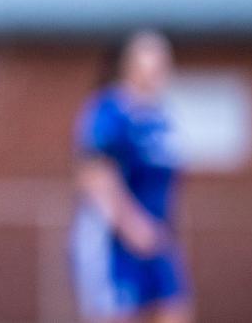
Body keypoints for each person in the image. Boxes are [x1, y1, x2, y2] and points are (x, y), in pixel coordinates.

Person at [70, 30, 193, 323]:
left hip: (159, 238)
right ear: (130, 63)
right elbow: (93, 175)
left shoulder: (162, 117)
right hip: (116, 241)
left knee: (176, 309)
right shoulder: (109, 111)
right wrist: (132, 226)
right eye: (149, 58)